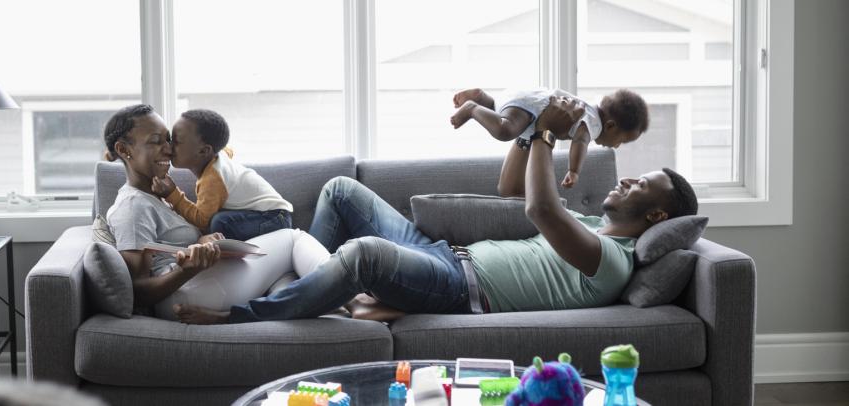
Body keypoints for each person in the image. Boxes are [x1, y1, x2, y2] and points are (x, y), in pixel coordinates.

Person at [175, 97, 698, 324]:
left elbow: (540, 209)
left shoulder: (611, 258)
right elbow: (511, 189)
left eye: (641, 183)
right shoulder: (588, 225)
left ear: (656, 216)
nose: (627, 177)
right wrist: (525, 133)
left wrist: (544, 131)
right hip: (446, 256)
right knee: (339, 189)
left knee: (364, 254)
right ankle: (327, 292)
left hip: (458, 290)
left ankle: (249, 314)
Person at [101, 104, 330, 322]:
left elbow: (172, 244)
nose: (169, 149)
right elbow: (137, 289)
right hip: (186, 292)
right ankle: (353, 295)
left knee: (286, 278)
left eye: (168, 140)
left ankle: (331, 306)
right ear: (124, 150)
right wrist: (186, 271)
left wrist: (201, 240)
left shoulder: (155, 194)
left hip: (200, 284)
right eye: (155, 141)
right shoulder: (132, 205)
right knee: (293, 239)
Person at [449, 88, 649, 193]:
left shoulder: (586, 107)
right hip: (531, 107)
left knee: (500, 115)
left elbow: (508, 190)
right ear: (611, 126)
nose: (616, 146)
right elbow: (580, 142)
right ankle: (473, 108)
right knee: (504, 130)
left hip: (526, 101)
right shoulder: (593, 124)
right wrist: (574, 170)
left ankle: (484, 99)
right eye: (621, 140)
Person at [150, 109, 294, 241]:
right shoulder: (217, 156)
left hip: (275, 219)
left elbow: (201, 220)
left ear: (204, 151)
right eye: (170, 140)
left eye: (177, 142)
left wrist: (172, 194)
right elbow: (227, 151)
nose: (169, 146)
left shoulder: (212, 179)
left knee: (220, 222)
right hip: (271, 216)